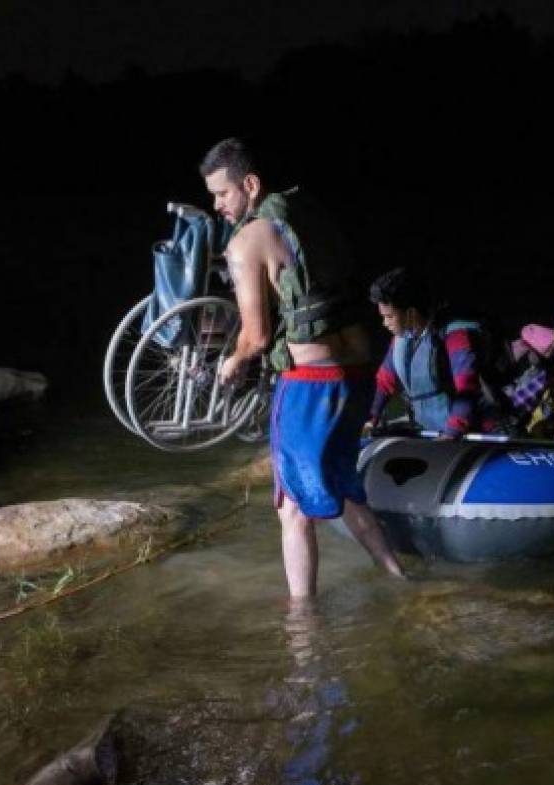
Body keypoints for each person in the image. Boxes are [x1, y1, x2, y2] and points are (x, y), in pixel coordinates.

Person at [202, 137, 404, 598]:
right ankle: (398, 578)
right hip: (357, 376)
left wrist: (231, 363)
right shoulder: (306, 214)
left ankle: (304, 627)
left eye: (222, 193)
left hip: (311, 385)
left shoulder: (245, 243)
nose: (217, 206)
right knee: (344, 484)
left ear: (249, 184)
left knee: (291, 509)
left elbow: (254, 338)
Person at [367, 267, 502, 438]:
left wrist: (452, 432)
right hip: (433, 432)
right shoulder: (402, 339)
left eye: (389, 316)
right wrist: (372, 418)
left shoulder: (456, 335)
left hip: (473, 433)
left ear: (411, 313)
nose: (384, 323)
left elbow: (467, 388)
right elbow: (384, 382)